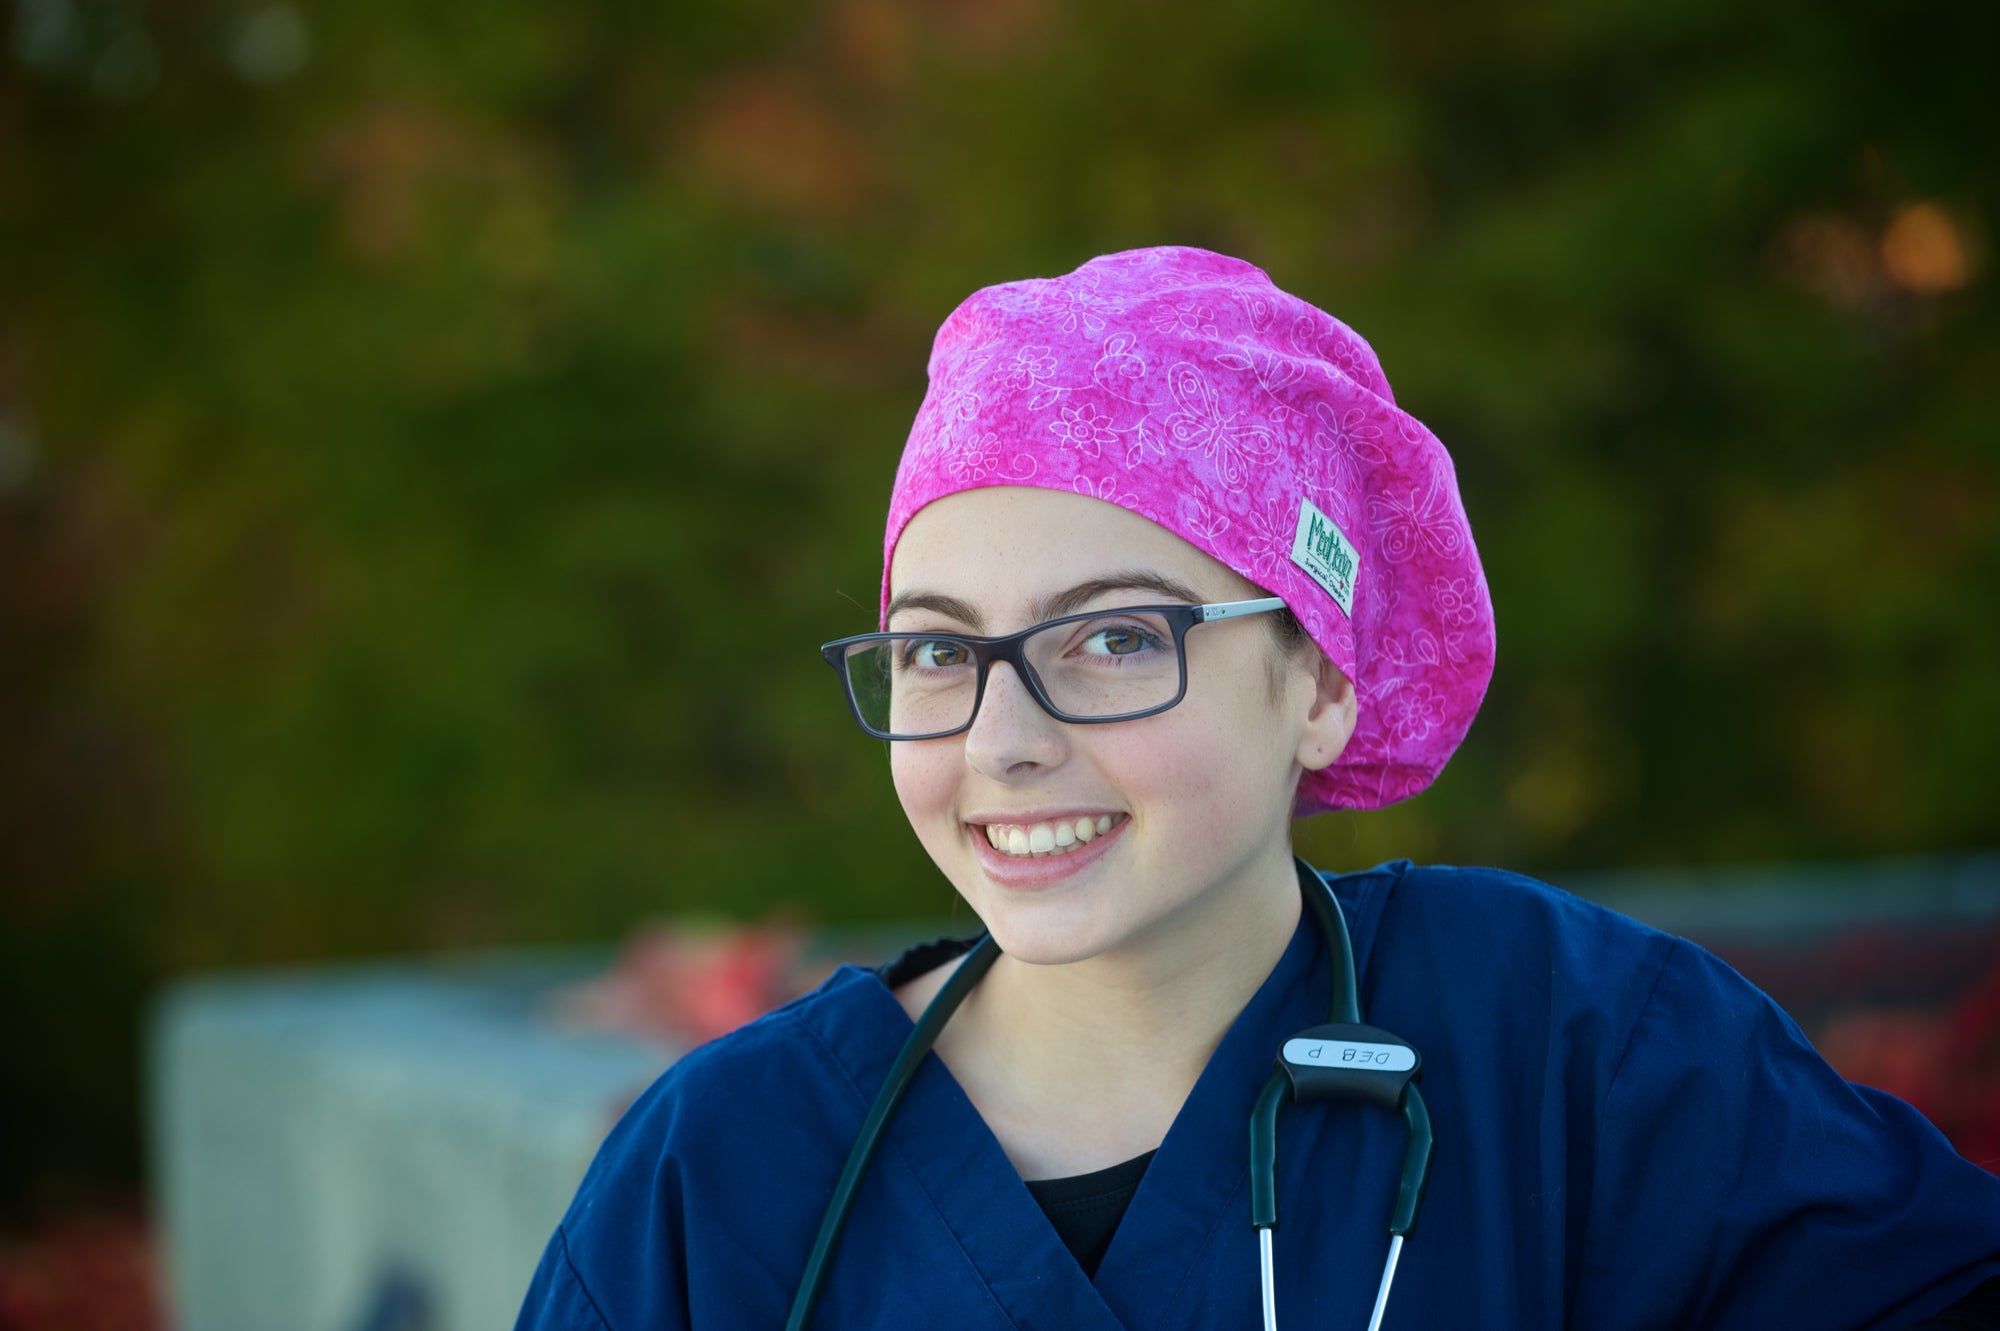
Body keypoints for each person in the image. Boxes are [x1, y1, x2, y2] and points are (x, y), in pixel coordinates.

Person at [515, 247, 2000, 1330]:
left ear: (1323, 681)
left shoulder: (1574, 1052)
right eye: (935, 653)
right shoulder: (721, 1177)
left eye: (1112, 639)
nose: (1004, 739)